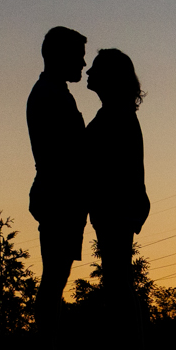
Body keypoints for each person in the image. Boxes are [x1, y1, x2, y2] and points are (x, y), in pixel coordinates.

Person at [83, 48, 151, 327]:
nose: (88, 72)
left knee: (118, 283)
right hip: (117, 209)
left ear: (110, 77)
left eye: (96, 68)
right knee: (117, 282)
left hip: (117, 210)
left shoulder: (116, 117)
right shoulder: (115, 114)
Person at [27, 26, 88, 322]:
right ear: (60, 56)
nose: (83, 64)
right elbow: (68, 152)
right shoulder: (50, 95)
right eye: (78, 56)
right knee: (54, 278)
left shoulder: (54, 93)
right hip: (58, 197)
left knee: (56, 278)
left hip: (59, 196)